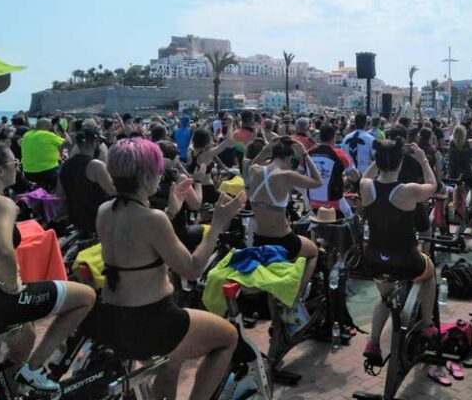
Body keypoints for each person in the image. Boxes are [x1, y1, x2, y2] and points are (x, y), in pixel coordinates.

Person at [87, 138, 244, 400]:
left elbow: (137, 241)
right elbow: (192, 269)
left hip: (113, 317)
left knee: (173, 361)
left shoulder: (105, 210)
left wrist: (171, 211)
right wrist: (218, 223)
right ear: (147, 176)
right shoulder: (152, 219)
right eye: (158, 171)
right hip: (151, 321)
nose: (161, 176)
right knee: (228, 337)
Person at [0, 141, 96, 395]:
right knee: (86, 297)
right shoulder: (1, 204)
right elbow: (5, 250)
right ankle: (33, 370)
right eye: (14, 163)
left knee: (26, 335)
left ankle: (12, 388)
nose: (18, 168)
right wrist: (12, 285)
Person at [360, 139, 439, 365]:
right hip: (406, 260)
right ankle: (427, 324)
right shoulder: (407, 191)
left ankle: (373, 342)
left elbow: (367, 175)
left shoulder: (366, 186)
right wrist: (423, 159)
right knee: (430, 273)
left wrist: (379, 159)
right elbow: (433, 185)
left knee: (385, 298)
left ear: (378, 162)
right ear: (400, 162)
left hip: (375, 259)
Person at [246, 136, 323, 333]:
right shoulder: (286, 175)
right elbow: (317, 182)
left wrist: (266, 148)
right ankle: (295, 298)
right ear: (289, 159)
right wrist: (305, 154)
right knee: (313, 252)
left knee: (272, 280)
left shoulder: (254, 170)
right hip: (283, 241)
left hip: (259, 241)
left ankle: (276, 320)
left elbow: (252, 162)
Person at [58, 126, 115, 237]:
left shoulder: (66, 165)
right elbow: (113, 191)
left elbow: (60, 193)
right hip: (96, 218)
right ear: (94, 143)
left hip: (75, 217)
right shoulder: (96, 165)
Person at [307, 123, 360, 218]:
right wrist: (347, 179)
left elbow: (300, 173)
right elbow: (355, 176)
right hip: (334, 202)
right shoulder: (340, 154)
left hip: (312, 201)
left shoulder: (308, 153)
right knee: (350, 219)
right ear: (334, 137)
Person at [20, 118, 71, 191]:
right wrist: (63, 131)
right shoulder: (47, 135)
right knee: (66, 174)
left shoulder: (26, 135)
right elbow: (68, 143)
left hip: (28, 173)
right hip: (48, 172)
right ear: (47, 126)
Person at [447, 124, 472, 221]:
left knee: (455, 187)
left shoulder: (451, 143)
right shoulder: (468, 143)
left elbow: (451, 135)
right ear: (464, 134)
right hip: (466, 172)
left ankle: (452, 207)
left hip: (454, 173)